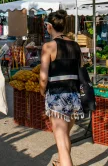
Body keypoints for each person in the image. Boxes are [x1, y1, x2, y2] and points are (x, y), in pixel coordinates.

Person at [39, 10, 84, 166]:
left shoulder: (49, 46)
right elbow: (80, 68)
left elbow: (43, 76)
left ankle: (63, 162)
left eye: (46, 26)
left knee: (61, 141)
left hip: (57, 96)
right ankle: (60, 162)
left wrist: (41, 90)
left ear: (50, 26)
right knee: (65, 137)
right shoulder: (75, 45)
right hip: (74, 96)